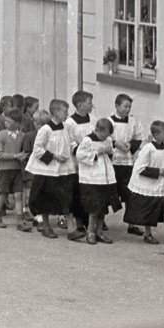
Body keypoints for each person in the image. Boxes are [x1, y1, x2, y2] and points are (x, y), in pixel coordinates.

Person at [25, 99, 76, 240]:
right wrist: (54, 156)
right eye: (65, 111)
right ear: (55, 112)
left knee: (67, 197)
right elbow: (37, 150)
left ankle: (72, 229)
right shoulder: (45, 130)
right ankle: (46, 226)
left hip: (64, 169)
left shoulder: (66, 127)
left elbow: (70, 142)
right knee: (45, 198)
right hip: (48, 170)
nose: (67, 114)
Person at [124, 120, 164, 245]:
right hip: (149, 183)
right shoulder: (148, 149)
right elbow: (140, 168)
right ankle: (148, 233)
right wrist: (159, 172)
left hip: (163, 183)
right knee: (149, 211)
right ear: (156, 135)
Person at [76, 117, 119, 245]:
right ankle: (90, 231)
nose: (106, 138)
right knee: (93, 207)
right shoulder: (88, 140)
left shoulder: (108, 140)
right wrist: (96, 152)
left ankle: (99, 231)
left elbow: (111, 154)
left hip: (106, 178)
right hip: (92, 178)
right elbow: (80, 155)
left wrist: (110, 152)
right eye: (104, 135)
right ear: (98, 131)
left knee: (103, 207)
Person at [109, 94, 147, 236]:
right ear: (117, 106)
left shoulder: (133, 122)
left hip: (128, 161)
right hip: (113, 161)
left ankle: (132, 223)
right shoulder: (109, 121)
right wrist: (115, 143)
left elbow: (139, 137)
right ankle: (102, 221)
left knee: (130, 193)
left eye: (129, 107)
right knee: (110, 190)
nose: (127, 110)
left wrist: (130, 145)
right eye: (125, 106)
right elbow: (103, 137)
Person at [63, 91, 96, 238]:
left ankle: (91, 219)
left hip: (93, 159)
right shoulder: (70, 123)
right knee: (78, 191)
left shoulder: (94, 120)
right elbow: (70, 142)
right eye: (89, 102)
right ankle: (79, 220)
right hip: (78, 161)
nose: (92, 105)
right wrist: (82, 151)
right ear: (80, 105)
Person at [0, 105, 30, 229]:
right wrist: (15, 156)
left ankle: (20, 220)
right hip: (4, 170)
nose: (6, 123)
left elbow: (24, 152)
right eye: (5, 120)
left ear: (17, 123)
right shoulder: (1, 135)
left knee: (18, 195)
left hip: (17, 170)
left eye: (9, 121)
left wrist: (24, 156)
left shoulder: (22, 136)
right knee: (3, 194)